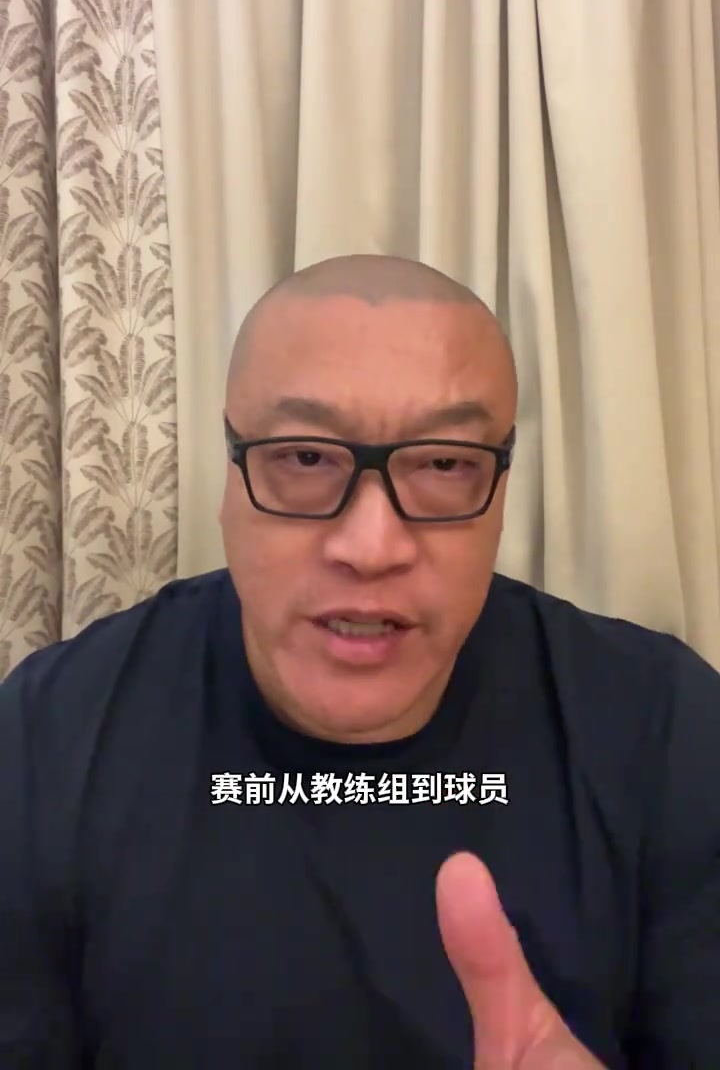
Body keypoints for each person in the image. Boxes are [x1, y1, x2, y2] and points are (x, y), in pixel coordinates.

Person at [0, 254, 718, 1069]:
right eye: (305, 458)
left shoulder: (666, 734)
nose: (371, 547)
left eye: (444, 463)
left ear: (501, 487)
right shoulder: (49, 737)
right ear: (229, 473)